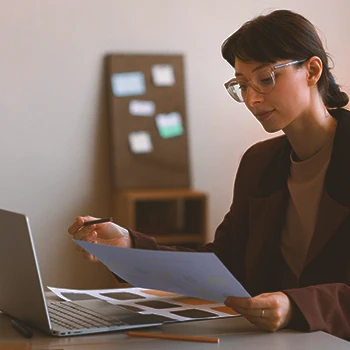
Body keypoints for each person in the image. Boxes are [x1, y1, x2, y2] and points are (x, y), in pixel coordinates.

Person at [68, 9, 350, 340]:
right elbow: (221, 266)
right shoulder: (259, 163)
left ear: (312, 70)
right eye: (242, 84)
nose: (252, 98)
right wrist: (127, 246)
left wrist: (296, 306)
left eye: (265, 78)